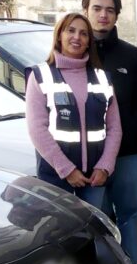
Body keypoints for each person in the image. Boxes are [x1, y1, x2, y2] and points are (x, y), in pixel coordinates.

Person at [83, 0, 137, 264]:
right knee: (98, 219)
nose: (103, 15)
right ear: (86, 11)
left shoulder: (135, 58)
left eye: (109, 10)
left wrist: (125, 138)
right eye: (97, 9)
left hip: (126, 153)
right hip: (89, 157)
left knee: (129, 213)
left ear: (116, 15)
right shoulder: (75, 56)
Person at [25, 12, 121, 209]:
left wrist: (105, 166)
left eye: (84, 34)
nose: (77, 37)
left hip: (95, 176)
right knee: (61, 234)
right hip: (56, 175)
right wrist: (67, 169)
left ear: (89, 42)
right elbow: (37, 129)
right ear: (59, 35)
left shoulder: (102, 78)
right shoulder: (40, 75)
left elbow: (114, 128)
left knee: (95, 233)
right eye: (71, 30)